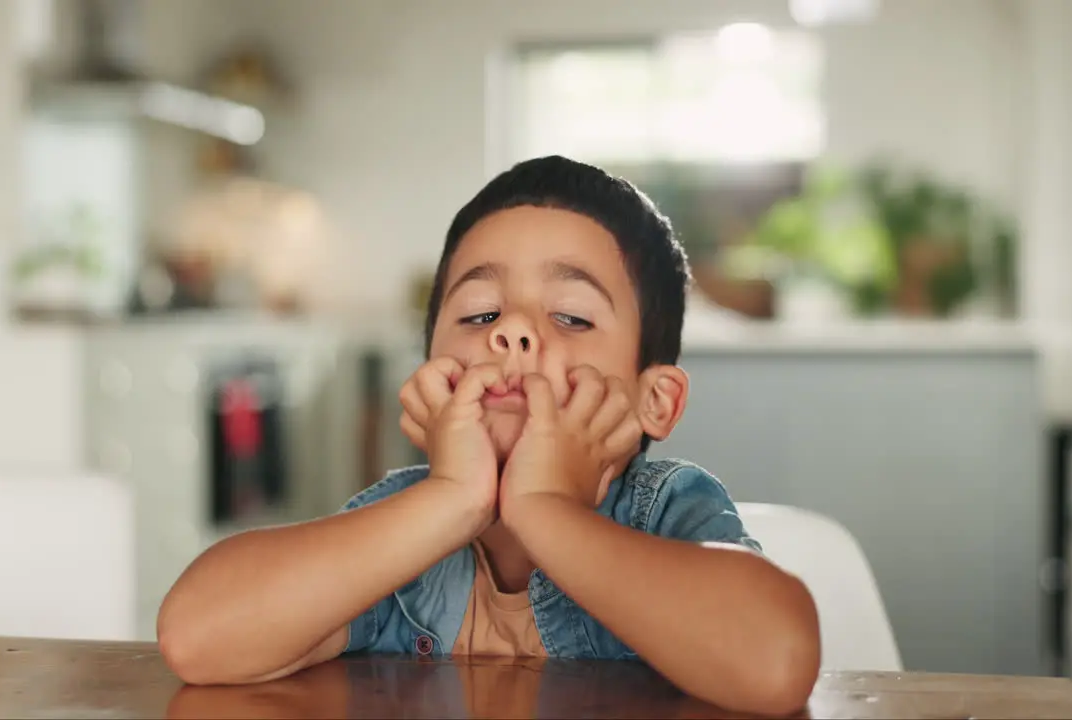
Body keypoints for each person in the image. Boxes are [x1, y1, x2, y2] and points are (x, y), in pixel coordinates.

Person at [157, 156, 822, 715]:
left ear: (655, 400)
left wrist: (544, 510)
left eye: (569, 315)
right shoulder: (403, 525)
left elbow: (777, 659)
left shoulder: (670, 509)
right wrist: (452, 499)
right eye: (479, 313)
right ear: (431, 376)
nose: (511, 331)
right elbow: (197, 637)